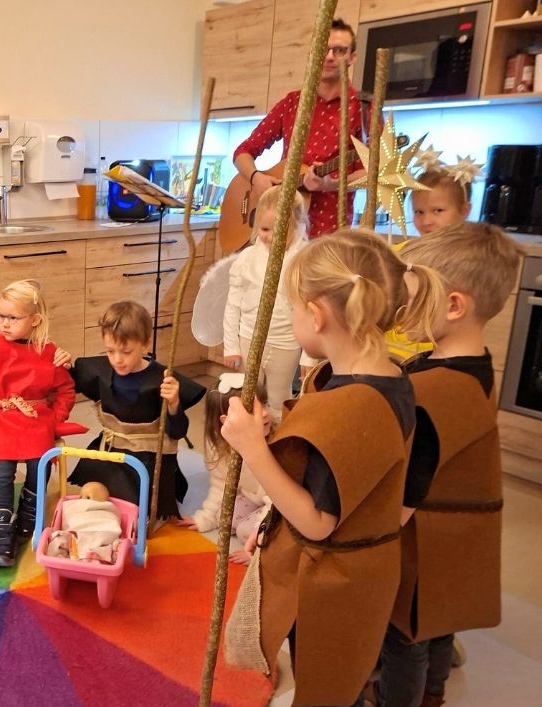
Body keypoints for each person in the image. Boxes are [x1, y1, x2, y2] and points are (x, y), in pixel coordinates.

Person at [219, 232, 443, 706]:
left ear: (316, 315)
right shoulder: (394, 377)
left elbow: (318, 521)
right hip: (366, 570)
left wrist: (252, 447)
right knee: (346, 670)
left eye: (294, 308)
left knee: (327, 679)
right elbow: (404, 479)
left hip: (337, 581)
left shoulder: (353, 406)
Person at [371, 223, 523, 707]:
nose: (403, 311)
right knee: (437, 623)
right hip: (458, 536)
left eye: (415, 299)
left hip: (425, 541)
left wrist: (373, 537)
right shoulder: (475, 367)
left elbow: (411, 487)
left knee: (405, 635)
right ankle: (433, 690)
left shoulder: (436, 391)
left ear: (454, 306)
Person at [0, 279, 76, 568]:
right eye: (1, 316)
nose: (5, 323)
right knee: (2, 465)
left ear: (34, 320)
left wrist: (55, 418)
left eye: (13, 317)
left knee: (40, 461)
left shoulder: (48, 352)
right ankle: (2, 526)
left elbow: (65, 391)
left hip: (35, 419)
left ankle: (29, 511)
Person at [63, 300, 206, 520]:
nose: (117, 359)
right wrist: (62, 365)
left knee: (129, 513)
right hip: (110, 451)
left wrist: (174, 403)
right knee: (92, 496)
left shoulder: (163, 381)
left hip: (146, 459)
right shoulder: (101, 370)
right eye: (110, 351)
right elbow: (69, 383)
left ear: (146, 344)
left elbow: (176, 432)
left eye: (126, 351)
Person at [233, 18, 363, 238]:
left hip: (330, 233)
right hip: (283, 229)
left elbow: (370, 172)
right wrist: (256, 178)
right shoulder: (292, 103)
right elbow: (242, 152)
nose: (330, 56)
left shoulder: (363, 108)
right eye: (324, 48)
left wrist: (329, 185)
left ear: (352, 57)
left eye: (339, 51)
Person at [222, 185, 308, 421]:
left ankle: (275, 452)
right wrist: (231, 346)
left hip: (285, 344)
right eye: (264, 229)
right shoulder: (247, 259)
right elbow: (233, 305)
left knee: (280, 401)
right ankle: (247, 451)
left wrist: (308, 357)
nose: (269, 236)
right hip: (248, 338)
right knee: (248, 398)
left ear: (295, 225)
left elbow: (310, 312)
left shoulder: (304, 261)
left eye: (278, 230)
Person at [385, 167, 472, 360]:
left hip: (433, 356)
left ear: (464, 210)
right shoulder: (399, 253)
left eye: (437, 211)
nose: (426, 220)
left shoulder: (466, 261)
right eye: (419, 212)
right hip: (388, 351)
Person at [181, 373, 272, 547]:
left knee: (247, 532)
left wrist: (258, 543)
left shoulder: (276, 445)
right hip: (254, 497)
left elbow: (275, 498)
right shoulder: (221, 447)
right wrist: (205, 517)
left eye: (265, 404)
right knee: (223, 518)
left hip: (278, 504)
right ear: (226, 421)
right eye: (253, 410)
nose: (266, 413)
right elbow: (221, 483)